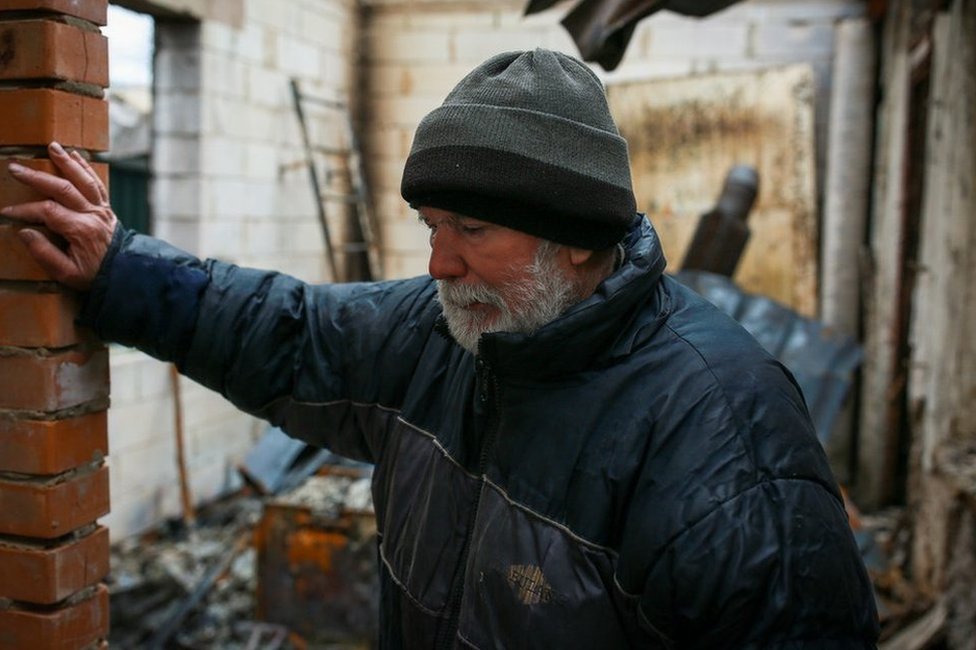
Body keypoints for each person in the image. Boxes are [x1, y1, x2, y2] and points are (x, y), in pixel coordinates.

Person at [3, 49, 879, 648]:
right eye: (430, 225)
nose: (438, 262)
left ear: (576, 239)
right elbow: (288, 330)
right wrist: (121, 270)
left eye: (472, 228)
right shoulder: (448, 329)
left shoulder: (723, 439)